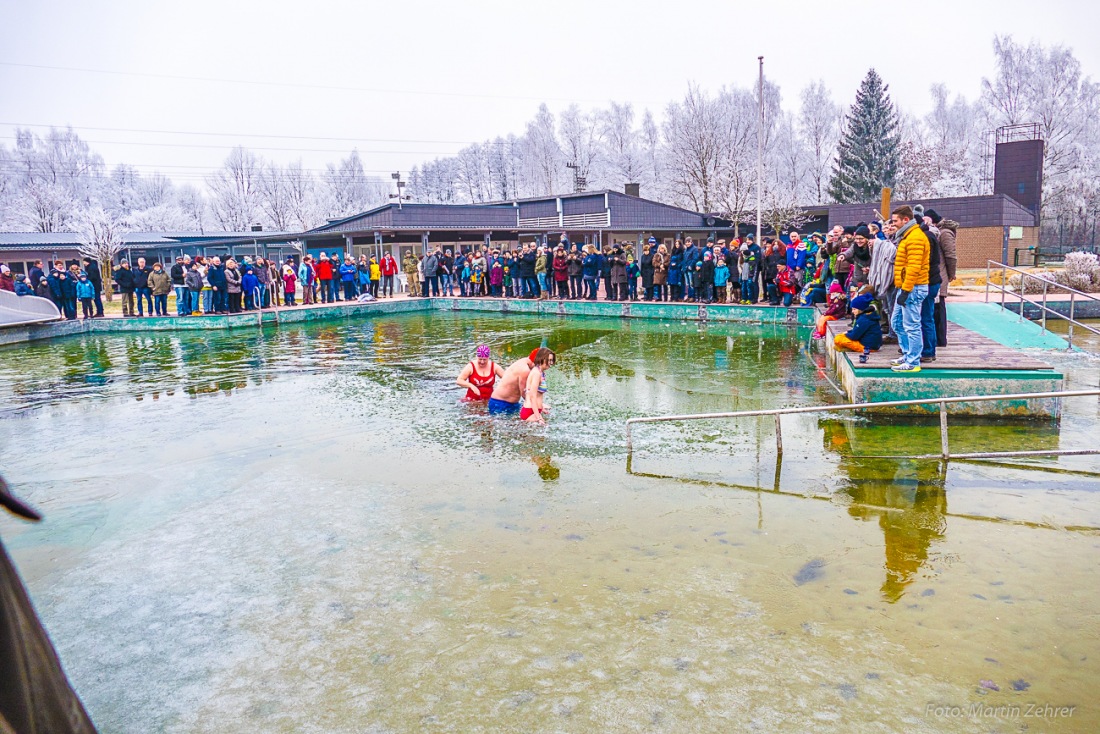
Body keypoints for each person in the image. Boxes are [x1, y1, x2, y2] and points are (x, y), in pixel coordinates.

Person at [889, 205, 930, 373]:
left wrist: (905, 290)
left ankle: (913, 362)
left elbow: (913, 267)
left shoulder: (915, 238)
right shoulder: (907, 236)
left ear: (906, 220)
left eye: (895, 221)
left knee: (912, 325)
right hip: (905, 287)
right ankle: (907, 354)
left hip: (913, 288)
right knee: (897, 323)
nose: (892, 224)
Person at [834, 289, 884, 363]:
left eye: (854, 309)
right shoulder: (867, 316)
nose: (852, 311)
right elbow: (858, 331)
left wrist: (847, 334)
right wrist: (848, 332)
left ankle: (851, 348)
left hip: (868, 347)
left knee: (838, 339)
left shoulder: (863, 319)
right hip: (873, 345)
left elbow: (854, 336)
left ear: (861, 309)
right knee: (841, 337)